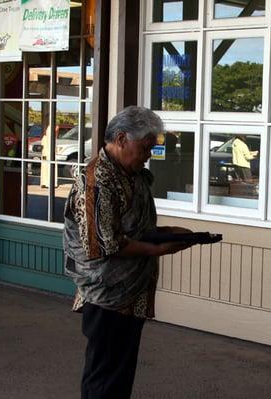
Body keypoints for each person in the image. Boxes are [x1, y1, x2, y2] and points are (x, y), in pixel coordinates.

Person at [63, 106, 192, 398]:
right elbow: (107, 244)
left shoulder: (133, 174)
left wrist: (166, 232)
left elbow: (135, 226)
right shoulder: (95, 181)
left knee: (121, 373)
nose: (148, 155)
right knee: (103, 376)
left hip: (133, 291)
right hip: (107, 293)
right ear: (121, 139)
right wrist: (160, 249)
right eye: (145, 147)